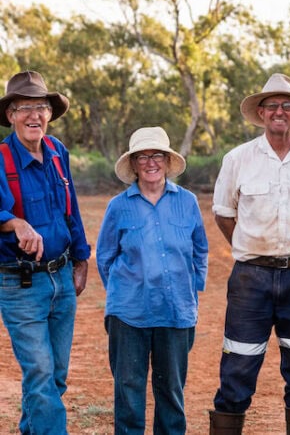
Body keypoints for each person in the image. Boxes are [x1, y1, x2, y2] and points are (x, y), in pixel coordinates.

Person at [210, 73, 290, 434]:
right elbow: (223, 213)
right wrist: (252, 247)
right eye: (272, 105)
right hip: (251, 279)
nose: (279, 111)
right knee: (237, 369)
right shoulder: (238, 159)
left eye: (287, 105)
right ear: (261, 112)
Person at [96, 127, 208, 434]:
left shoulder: (187, 201)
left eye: (156, 154)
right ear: (133, 164)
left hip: (176, 310)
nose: (150, 162)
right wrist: (124, 291)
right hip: (129, 313)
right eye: (142, 156)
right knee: (128, 389)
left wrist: (192, 289)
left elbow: (200, 248)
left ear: (168, 160)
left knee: (171, 390)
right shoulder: (118, 206)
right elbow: (105, 256)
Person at [0, 70, 91, 434]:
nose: (33, 116)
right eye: (24, 108)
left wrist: (82, 258)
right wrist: (14, 223)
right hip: (20, 284)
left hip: (62, 279)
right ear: (10, 115)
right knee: (40, 372)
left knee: (53, 376)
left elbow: (72, 210)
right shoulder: (1, 159)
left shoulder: (58, 153)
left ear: (49, 114)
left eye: (40, 107)